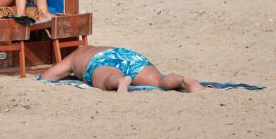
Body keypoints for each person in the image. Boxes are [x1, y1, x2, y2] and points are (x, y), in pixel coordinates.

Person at [41, 45, 204, 93]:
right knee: (160, 80)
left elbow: (48, 77)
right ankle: (182, 80)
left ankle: (120, 82)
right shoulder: (94, 47)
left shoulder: (74, 57)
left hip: (100, 61)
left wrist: (70, 69)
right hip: (126, 54)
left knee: (107, 79)